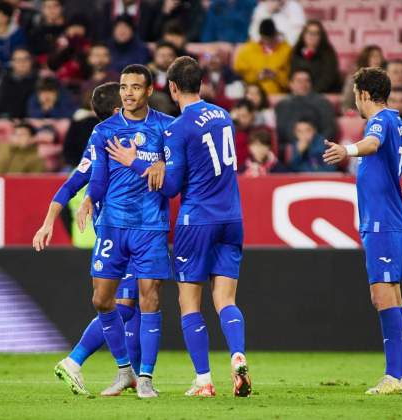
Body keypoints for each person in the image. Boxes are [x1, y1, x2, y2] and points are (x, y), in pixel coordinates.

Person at [108, 56, 251, 397]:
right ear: (200, 83)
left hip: (196, 219)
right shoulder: (223, 116)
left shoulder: (178, 128)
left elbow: (171, 187)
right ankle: (238, 355)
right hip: (232, 216)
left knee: (190, 302)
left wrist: (137, 162)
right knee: (226, 298)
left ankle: (203, 380)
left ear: (171, 88)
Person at [34, 82, 143, 396]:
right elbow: (73, 185)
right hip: (121, 233)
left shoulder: (99, 143)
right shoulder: (111, 143)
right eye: (125, 101)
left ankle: (132, 375)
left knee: (131, 304)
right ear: (115, 111)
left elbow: (70, 184)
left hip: (116, 232)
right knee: (122, 305)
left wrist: (47, 223)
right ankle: (75, 360)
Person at [323, 67, 402, 395]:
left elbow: (372, 142)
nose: (355, 100)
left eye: (356, 94)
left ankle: (393, 375)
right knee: (391, 293)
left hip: (382, 222)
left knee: (382, 296)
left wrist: (347, 150)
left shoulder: (379, 119)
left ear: (365, 94)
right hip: (392, 219)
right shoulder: (401, 124)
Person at [76, 65, 174, 398]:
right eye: (123, 87)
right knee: (102, 299)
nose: (128, 92)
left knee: (149, 297)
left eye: (135, 87)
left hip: (150, 225)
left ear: (149, 91)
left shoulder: (167, 127)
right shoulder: (104, 131)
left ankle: (145, 377)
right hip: (112, 225)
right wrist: (90, 197)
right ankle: (124, 371)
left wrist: (164, 164)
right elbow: (99, 177)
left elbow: (180, 171)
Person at [276, 68, 336, 146]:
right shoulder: (282, 105)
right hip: (290, 148)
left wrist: (313, 144)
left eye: (307, 80)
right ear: (291, 84)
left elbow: (329, 130)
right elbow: (280, 131)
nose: (303, 84)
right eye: (299, 81)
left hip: (317, 147)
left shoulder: (323, 103)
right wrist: (296, 146)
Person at [233, 19, 291, 95]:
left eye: (270, 39)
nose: (268, 42)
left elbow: (290, 79)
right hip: (253, 93)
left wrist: (276, 76)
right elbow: (240, 72)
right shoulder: (248, 50)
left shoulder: (286, 50)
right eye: (265, 39)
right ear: (261, 37)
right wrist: (257, 76)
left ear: (275, 35)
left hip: (278, 94)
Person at [0, 48, 38, 119]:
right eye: (18, 60)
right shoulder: (3, 80)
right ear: (12, 63)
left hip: (32, 121)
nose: (22, 63)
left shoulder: (39, 80)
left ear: (31, 61)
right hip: (6, 120)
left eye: (26, 59)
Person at [290, 20, 340, 94]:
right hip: (299, 92)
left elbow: (327, 78)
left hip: (322, 93)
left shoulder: (329, 54)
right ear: (303, 34)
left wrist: (311, 92)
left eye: (316, 33)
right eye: (309, 32)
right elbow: (293, 74)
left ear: (321, 36)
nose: (312, 36)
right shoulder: (296, 52)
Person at [342, 45, 385, 113]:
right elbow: (347, 105)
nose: (377, 59)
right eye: (373, 56)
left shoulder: (387, 78)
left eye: (379, 56)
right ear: (366, 58)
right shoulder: (354, 79)